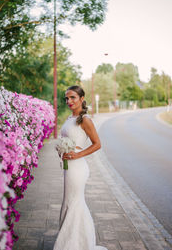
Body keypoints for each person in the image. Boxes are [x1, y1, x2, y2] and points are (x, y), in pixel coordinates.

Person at [53, 85, 108, 250]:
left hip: (78, 168)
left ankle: (74, 244)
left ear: (81, 99)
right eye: (66, 98)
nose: (68, 101)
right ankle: (75, 242)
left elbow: (97, 144)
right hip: (68, 167)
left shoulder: (85, 119)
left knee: (74, 203)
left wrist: (77, 154)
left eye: (72, 97)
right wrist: (61, 150)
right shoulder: (70, 118)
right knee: (69, 202)